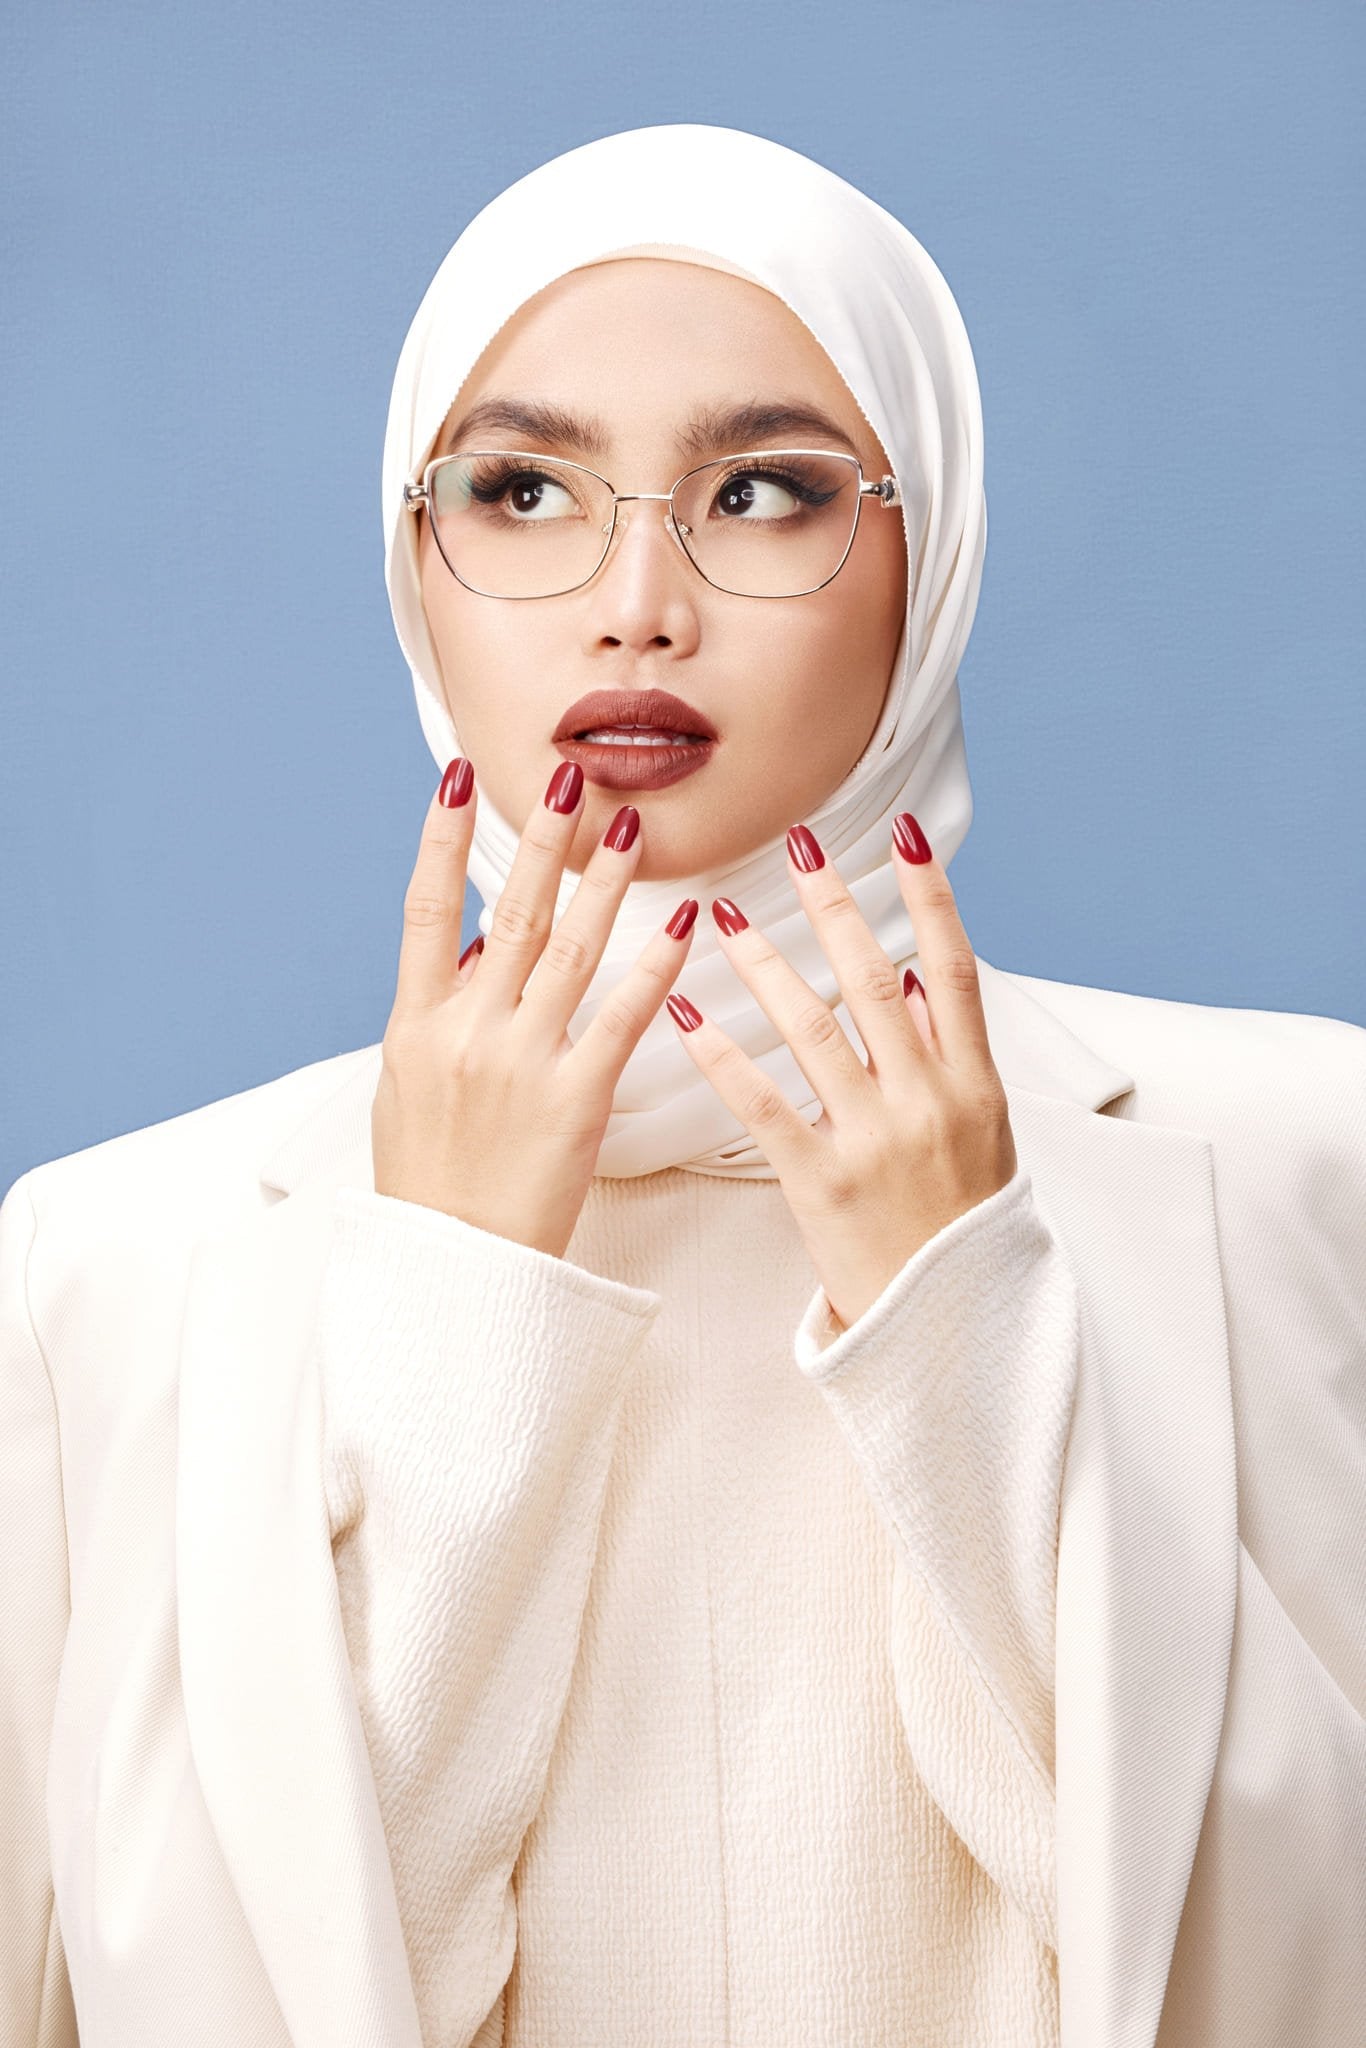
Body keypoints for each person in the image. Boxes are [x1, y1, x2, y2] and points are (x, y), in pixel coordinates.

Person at [2, 123, 1363, 2048]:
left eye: (764, 490)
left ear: (933, 551)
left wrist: (962, 1315)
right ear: (415, 566)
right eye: (524, 488)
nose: (638, 600)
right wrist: (454, 1303)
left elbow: (1293, 1972)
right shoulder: (105, 1264)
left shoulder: (1309, 1163)